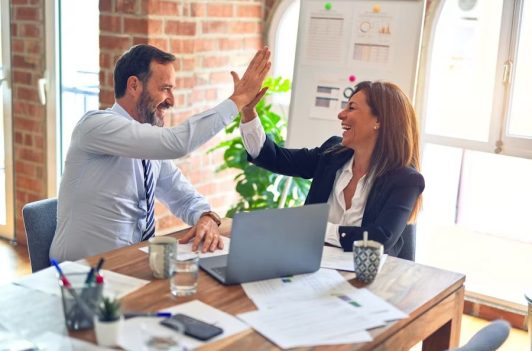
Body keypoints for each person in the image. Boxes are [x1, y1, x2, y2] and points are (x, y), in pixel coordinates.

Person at [50, 44, 270, 262]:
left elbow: (183, 197)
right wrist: (238, 99)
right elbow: (177, 143)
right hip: (81, 274)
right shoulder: (96, 126)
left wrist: (206, 216)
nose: (171, 101)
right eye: (165, 88)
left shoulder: (148, 147)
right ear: (134, 85)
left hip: (131, 266)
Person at [239, 81, 424, 260]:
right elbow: (273, 157)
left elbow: (379, 238)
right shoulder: (332, 154)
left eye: (351, 108)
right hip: (311, 266)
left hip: (369, 280)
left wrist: (314, 228)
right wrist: (248, 111)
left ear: (379, 120)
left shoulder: (406, 180)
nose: (341, 115)